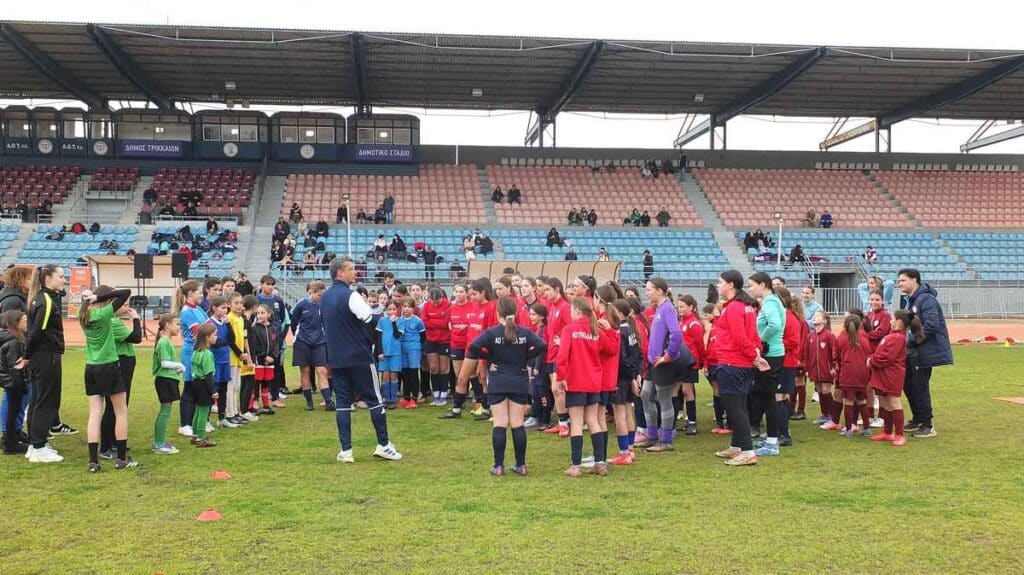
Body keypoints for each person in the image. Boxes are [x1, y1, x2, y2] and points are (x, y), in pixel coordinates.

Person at [322, 257, 401, 462]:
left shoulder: (325, 297)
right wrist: (382, 318)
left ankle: (346, 450)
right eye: (350, 269)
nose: (355, 272)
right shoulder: (351, 295)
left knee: (343, 403)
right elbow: (367, 318)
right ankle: (384, 444)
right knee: (375, 400)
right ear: (339, 273)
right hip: (359, 356)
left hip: (337, 358)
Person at [462, 297, 546, 476]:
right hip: (519, 380)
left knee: (499, 423)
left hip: (498, 380)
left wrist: (491, 358)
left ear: (497, 313)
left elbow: (472, 346)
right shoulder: (524, 332)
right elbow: (542, 345)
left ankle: (498, 465)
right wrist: (526, 358)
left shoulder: (491, 333)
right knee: (517, 423)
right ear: (516, 313)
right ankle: (521, 465)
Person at [79, 285, 138, 471]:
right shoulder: (104, 314)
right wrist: (99, 296)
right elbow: (125, 292)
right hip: (109, 365)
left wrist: (92, 298)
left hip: (91, 367)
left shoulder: (84, 316)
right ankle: (121, 458)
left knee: (95, 413)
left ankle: (93, 462)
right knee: (121, 411)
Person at [710, 270, 764, 466]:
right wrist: (756, 354)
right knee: (739, 405)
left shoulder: (734, 308)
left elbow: (741, 337)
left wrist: (753, 355)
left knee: (734, 408)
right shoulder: (746, 307)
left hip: (733, 362)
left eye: (720, 282)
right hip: (742, 363)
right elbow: (753, 336)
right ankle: (737, 446)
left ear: (731, 285)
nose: (718, 285)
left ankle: (748, 452)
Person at [556, 297, 612, 477]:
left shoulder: (570, 329)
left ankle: (575, 465)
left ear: (577, 311)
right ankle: (600, 462)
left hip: (576, 381)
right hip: (594, 382)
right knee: (594, 420)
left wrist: (560, 377)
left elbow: (563, 355)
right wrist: (610, 331)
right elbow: (611, 350)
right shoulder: (596, 330)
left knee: (577, 423)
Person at [635, 278, 692, 453]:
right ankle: (651, 435)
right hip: (654, 363)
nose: (646, 292)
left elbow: (676, 334)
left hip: (663, 363)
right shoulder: (660, 308)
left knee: (664, 398)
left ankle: (666, 441)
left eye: (649, 289)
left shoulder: (667, 308)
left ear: (660, 291)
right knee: (645, 395)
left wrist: (668, 356)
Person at [25, 265, 72, 463]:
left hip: (41, 356)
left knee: (37, 399)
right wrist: (27, 355)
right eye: (61, 277)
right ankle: (38, 446)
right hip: (45, 357)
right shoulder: (45, 302)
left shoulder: (44, 297)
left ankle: (35, 444)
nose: (64, 280)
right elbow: (37, 331)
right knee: (47, 401)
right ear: (48, 278)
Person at [898, 268, 951, 439]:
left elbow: (931, 324)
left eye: (903, 280)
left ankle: (928, 424)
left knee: (920, 387)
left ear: (914, 280)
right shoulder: (909, 300)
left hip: (923, 352)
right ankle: (917, 419)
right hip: (911, 352)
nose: (900, 283)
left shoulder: (926, 299)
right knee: (908, 385)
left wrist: (912, 339)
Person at [748, 272, 787, 456]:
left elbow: (775, 325)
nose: (750, 289)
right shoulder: (772, 301)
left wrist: (759, 341)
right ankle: (771, 439)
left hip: (770, 355)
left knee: (769, 397)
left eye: (752, 285)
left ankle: (772, 441)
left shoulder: (771, 302)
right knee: (766, 396)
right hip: (772, 353)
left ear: (762, 285)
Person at [99, 294, 143, 459]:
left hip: (123, 362)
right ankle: (106, 445)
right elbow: (136, 337)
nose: (127, 307)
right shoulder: (114, 322)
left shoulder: (112, 322)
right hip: (121, 363)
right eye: (123, 304)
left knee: (117, 406)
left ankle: (114, 441)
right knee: (114, 407)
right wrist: (136, 319)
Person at [868, 309, 919, 447]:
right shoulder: (892, 335)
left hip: (892, 374)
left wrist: (872, 360)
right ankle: (887, 432)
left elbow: (888, 356)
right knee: (884, 401)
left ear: (899, 322)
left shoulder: (898, 338)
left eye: (893, 319)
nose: (890, 321)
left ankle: (900, 435)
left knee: (894, 401)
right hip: (883, 373)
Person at [291, 281, 333, 412]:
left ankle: (328, 402)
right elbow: (293, 322)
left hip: (319, 341)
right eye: (320, 295)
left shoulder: (324, 305)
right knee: (305, 371)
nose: (322, 297)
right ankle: (309, 402)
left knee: (322, 370)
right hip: (302, 342)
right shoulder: (301, 304)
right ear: (313, 293)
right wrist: (299, 336)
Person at [0, 266, 30, 446]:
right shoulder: (11, 300)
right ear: (20, 279)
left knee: (20, 396)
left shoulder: (16, 296)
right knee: (12, 396)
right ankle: (9, 433)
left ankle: (15, 431)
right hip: (12, 355)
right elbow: (7, 326)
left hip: (15, 349)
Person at [175, 280, 209, 438]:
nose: (201, 294)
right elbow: (200, 332)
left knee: (198, 387)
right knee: (189, 387)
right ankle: (184, 424)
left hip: (200, 351)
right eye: (199, 291)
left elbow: (210, 329)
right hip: (190, 353)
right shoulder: (187, 311)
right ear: (190, 293)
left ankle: (195, 422)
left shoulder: (199, 310)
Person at [776, 287, 807, 440]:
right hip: (783, 361)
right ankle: (779, 432)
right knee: (779, 397)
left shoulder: (790, 318)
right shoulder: (785, 316)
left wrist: (775, 343)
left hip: (787, 362)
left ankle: (783, 434)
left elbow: (794, 342)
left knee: (780, 397)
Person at [151, 314, 185, 454]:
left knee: (166, 411)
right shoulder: (164, 342)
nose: (179, 327)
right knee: (164, 412)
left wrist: (176, 369)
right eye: (177, 324)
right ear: (167, 325)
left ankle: (160, 441)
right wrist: (180, 366)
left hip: (168, 379)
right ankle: (158, 444)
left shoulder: (166, 341)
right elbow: (165, 363)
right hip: (164, 380)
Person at [835, 312, 872, 437]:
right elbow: (868, 353)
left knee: (848, 402)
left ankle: (849, 429)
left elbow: (838, 355)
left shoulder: (842, 338)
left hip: (848, 374)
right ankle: (867, 427)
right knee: (862, 401)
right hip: (862, 374)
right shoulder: (864, 338)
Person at [440, 284, 473, 418]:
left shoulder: (472, 307)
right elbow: (450, 326)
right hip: (456, 344)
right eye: (456, 291)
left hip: (469, 344)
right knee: (459, 375)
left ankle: (477, 401)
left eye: (461, 291)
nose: (459, 294)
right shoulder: (451, 309)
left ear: (466, 293)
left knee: (472, 374)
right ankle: (461, 400)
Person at [675, 295, 705, 436]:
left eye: (682, 306)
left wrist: (700, 362)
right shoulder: (682, 322)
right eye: (678, 307)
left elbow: (699, 345)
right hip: (680, 362)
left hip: (690, 362)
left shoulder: (694, 324)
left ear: (691, 307)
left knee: (687, 391)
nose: (679, 309)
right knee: (680, 390)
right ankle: (684, 420)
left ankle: (692, 421)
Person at [804, 311, 838, 427]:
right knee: (819, 390)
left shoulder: (829, 335)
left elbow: (834, 352)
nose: (815, 317)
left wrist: (833, 366)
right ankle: (824, 414)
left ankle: (833, 416)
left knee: (826, 390)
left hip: (826, 369)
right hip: (815, 369)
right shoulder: (810, 336)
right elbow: (807, 354)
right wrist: (807, 368)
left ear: (825, 320)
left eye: (818, 316)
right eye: (814, 316)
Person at [188, 324, 219, 448]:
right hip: (204, 384)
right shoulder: (207, 354)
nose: (216, 337)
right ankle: (201, 438)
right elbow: (208, 374)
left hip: (195, 383)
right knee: (204, 411)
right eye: (214, 335)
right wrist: (213, 390)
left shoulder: (196, 351)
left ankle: (195, 435)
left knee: (198, 409)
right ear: (207, 337)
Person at [422, 287, 451, 407]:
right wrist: (438, 323)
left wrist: (433, 322)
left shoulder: (448, 305)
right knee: (434, 368)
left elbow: (446, 323)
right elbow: (425, 322)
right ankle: (436, 393)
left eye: (437, 301)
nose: (435, 303)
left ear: (442, 298)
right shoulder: (427, 306)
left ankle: (443, 394)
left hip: (444, 340)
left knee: (444, 368)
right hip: (431, 340)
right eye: (432, 301)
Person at [396, 298, 426, 409]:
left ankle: (414, 398)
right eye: (404, 306)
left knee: (413, 373)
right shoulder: (399, 320)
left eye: (409, 306)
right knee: (405, 373)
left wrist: (417, 346)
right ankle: (406, 396)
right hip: (402, 349)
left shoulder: (418, 321)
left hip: (414, 348)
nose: (407, 309)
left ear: (413, 308)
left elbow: (423, 337)